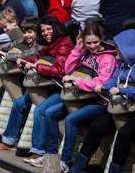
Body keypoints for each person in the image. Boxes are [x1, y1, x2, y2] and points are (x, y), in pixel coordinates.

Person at [30, 20, 117, 173]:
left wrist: (77, 81)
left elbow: (102, 82)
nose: (91, 46)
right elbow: (68, 69)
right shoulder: (85, 52)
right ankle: (51, 157)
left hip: (97, 102)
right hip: (79, 97)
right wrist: (77, 48)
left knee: (71, 119)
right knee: (50, 113)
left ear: (102, 39)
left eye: (95, 42)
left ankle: (64, 161)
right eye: (88, 43)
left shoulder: (107, 58)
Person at [0, 16, 74, 155]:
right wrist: (24, 60)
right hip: (46, 86)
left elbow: (60, 70)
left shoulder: (64, 44)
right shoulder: (50, 43)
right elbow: (38, 58)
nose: (46, 33)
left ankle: (39, 150)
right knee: (19, 104)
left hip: (58, 89)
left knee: (40, 110)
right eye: (43, 30)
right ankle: (9, 141)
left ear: (56, 28)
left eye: (49, 29)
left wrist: (37, 67)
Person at [69, 28, 135, 173]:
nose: (116, 51)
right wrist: (103, 86)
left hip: (132, 110)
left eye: (118, 48)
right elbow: (113, 80)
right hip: (122, 107)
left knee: (124, 134)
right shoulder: (123, 64)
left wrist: (121, 90)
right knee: (96, 127)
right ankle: (78, 168)